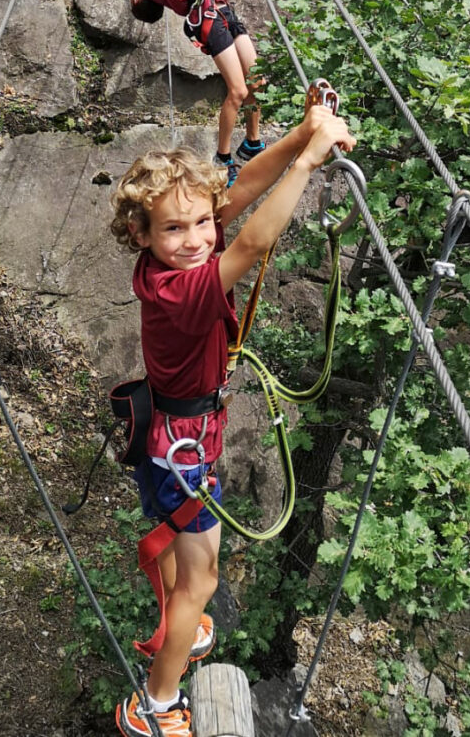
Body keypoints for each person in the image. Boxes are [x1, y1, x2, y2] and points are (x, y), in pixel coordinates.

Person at [109, 103, 356, 736]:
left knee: (186, 548)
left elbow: (239, 192)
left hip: (175, 433)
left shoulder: (169, 260)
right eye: (175, 230)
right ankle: (157, 704)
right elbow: (250, 239)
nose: (195, 238)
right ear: (142, 235)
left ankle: (177, 612)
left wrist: (301, 132)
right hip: (184, 446)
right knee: (205, 579)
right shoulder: (184, 291)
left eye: (199, 223)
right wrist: (308, 159)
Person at [129, 0, 265, 186]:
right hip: (209, 20)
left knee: (258, 83)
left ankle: (252, 142)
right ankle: (223, 157)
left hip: (222, 11)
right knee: (239, 92)